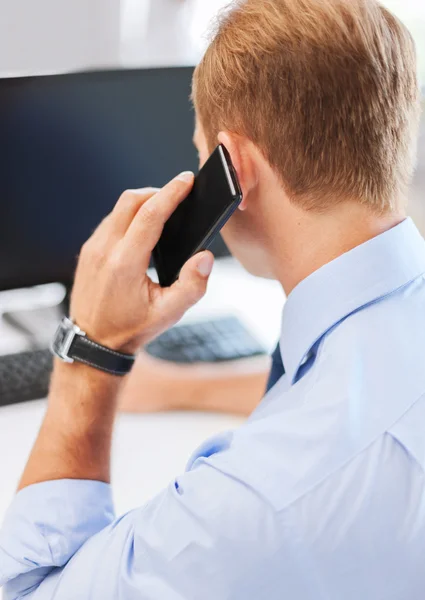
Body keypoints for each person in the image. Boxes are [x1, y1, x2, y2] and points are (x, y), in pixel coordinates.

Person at [1, 0, 424, 597]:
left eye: (202, 156)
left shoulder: (253, 506)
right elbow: (345, 394)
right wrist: (180, 387)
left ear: (236, 170)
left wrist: (93, 351)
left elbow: (29, 589)